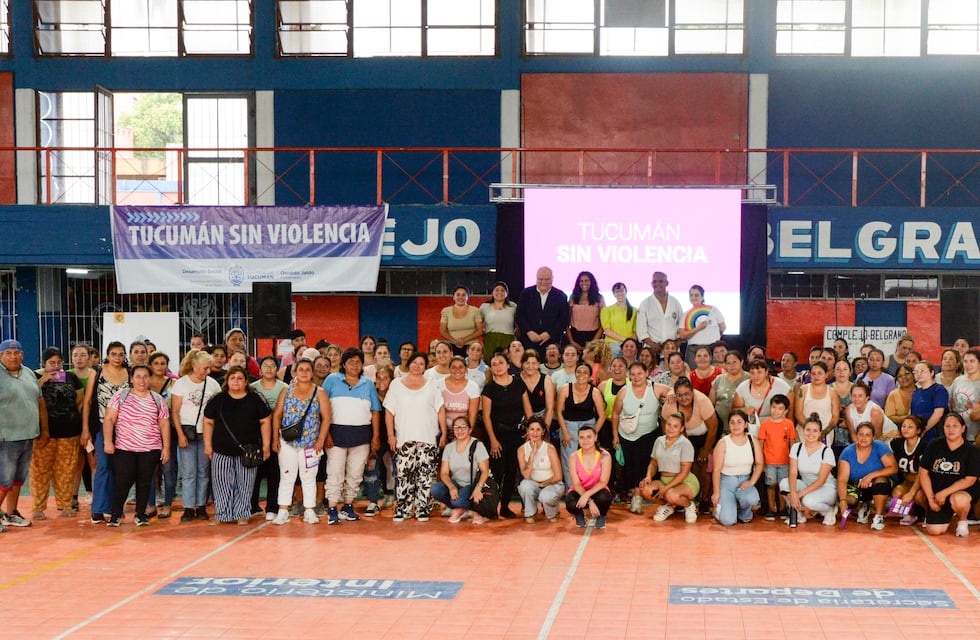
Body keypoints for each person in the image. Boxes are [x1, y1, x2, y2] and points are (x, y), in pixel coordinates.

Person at [202, 366, 271, 525]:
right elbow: (208, 422)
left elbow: (265, 421)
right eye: (232, 378)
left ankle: (242, 513)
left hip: (249, 450)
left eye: (240, 378)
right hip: (221, 449)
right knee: (221, 484)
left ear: (246, 381)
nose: (236, 381)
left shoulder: (256, 399)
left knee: (245, 484)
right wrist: (208, 445)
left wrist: (266, 446)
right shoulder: (218, 399)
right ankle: (222, 514)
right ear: (227, 381)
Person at [102, 365, 170, 526]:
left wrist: (165, 447)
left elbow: (164, 424)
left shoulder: (157, 399)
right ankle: (116, 515)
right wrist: (108, 442)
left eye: (145, 376)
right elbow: (109, 419)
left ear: (150, 379)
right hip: (125, 448)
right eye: (138, 376)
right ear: (131, 379)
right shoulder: (121, 396)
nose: (142, 380)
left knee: (145, 482)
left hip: (150, 448)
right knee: (123, 481)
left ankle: (141, 515)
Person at [384, 351, 446, 521]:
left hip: (427, 438)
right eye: (414, 362)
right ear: (408, 363)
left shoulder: (432, 384)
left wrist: (444, 433)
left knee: (426, 477)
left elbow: (440, 409)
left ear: (426, 367)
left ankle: (422, 509)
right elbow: (389, 411)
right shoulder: (396, 384)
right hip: (404, 438)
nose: (417, 366)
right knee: (404, 476)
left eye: (421, 364)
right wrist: (391, 435)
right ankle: (402, 509)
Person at [322, 348, 381, 524]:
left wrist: (375, 437)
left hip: (362, 436)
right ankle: (332, 508)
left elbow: (376, 411)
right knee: (335, 472)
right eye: (350, 362)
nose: (354, 365)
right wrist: (326, 434)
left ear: (363, 364)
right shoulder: (332, 380)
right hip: (336, 435)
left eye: (358, 362)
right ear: (343, 364)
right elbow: (322, 408)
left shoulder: (368, 383)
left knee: (355, 474)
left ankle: (348, 506)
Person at [271, 358, 330, 525]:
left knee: (309, 476)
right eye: (300, 369)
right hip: (288, 442)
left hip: (310, 443)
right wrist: (275, 437)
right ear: (295, 372)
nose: (304, 372)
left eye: (307, 369)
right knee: (287, 476)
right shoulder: (286, 391)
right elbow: (277, 415)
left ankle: (309, 510)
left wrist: (320, 440)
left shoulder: (319, 392)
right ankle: (283, 510)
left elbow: (326, 419)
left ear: (312, 373)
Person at [29, 347, 83, 520]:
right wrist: (42, 382)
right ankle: (38, 507)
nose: (56, 366)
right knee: (40, 471)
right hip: (43, 434)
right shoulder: (34, 378)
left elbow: (79, 400)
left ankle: (65, 504)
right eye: (52, 362)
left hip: (69, 432)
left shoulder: (71, 377)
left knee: (66, 470)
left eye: (59, 362)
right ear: (44, 363)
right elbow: (27, 398)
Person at [0, 339, 48, 531]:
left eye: (17, 353)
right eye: (8, 353)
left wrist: (44, 430)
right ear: (1, 356)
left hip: (27, 436)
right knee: (4, 480)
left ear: (22, 354)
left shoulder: (28, 373)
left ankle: (11, 513)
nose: (13, 357)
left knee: (18, 479)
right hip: (5, 438)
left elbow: (40, 402)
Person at [612, 362, 671, 515]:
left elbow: (673, 392)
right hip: (626, 435)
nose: (636, 377)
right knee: (630, 467)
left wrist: (670, 399)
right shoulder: (624, 391)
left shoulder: (655, 388)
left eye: (639, 373)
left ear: (647, 373)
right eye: (632, 374)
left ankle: (641, 495)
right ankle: (635, 496)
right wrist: (615, 436)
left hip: (649, 435)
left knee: (645, 465)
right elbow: (615, 414)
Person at [81, 341, 129, 525]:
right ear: (107, 355)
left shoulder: (129, 373)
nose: (117, 357)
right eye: (114, 354)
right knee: (103, 466)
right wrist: (85, 429)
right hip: (102, 426)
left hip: (125, 428)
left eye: (121, 354)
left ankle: (114, 508)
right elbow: (87, 402)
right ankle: (98, 509)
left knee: (120, 469)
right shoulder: (97, 372)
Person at [171, 349, 222, 522]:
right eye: (204, 368)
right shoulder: (181, 384)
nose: (207, 372)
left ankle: (201, 505)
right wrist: (180, 434)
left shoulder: (213, 384)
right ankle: (188, 506)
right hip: (188, 432)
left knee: (203, 471)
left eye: (209, 368)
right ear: (194, 366)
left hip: (207, 433)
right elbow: (175, 412)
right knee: (189, 472)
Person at [482, 353, 532, 518]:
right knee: (497, 471)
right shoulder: (489, 388)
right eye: (494, 364)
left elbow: (528, 409)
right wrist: (493, 440)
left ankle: (505, 506)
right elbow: (486, 416)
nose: (498, 366)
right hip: (497, 435)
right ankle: (491, 507)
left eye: (501, 363)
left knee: (512, 471)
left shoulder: (518, 383)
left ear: (508, 364)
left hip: (517, 434)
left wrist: (530, 430)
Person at [660, 376, 719, 511]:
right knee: (680, 466)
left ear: (692, 392)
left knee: (703, 463)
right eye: (679, 395)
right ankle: (681, 499)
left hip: (704, 435)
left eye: (687, 394)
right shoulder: (670, 403)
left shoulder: (703, 401)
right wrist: (671, 447)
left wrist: (706, 449)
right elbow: (665, 426)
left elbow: (714, 427)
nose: (684, 398)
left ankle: (705, 498)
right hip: (681, 436)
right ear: (675, 395)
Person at [918, 413, 980, 537]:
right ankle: (941, 513)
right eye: (948, 426)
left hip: (962, 491)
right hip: (937, 491)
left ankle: (962, 521)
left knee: (959, 500)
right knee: (934, 531)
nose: (951, 429)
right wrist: (931, 499)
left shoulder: (972, 450)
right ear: (943, 428)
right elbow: (923, 472)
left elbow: (970, 479)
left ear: (963, 428)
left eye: (955, 426)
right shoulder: (934, 445)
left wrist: (944, 493)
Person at [837, 422, 898, 531]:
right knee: (848, 500)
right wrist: (842, 501)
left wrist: (871, 475)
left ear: (873, 437)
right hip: (858, 485)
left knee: (880, 481)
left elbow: (893, 468)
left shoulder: (880, 447)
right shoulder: (847, 452)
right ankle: (864, 506)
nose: (864, 438)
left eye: (867, 435)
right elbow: (842, 480)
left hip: (880, 484)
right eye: (861, 434)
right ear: (856, 436)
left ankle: (878, 516)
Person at [431, 416, 492, 525]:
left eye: (463, 427)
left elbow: (485, 471)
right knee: (435, 489)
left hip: (473, 484)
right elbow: (444, 473)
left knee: (458, 500)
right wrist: (451, 487)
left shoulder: (478, 445)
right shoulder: (449, 448)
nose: (460, 430)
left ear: (470, 429)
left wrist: (478, 488)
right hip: (457, 483)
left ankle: (472, 509)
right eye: (457, 427)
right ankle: (461, 508)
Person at [639, 411, 699, 523]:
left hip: (685, 481)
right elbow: (653, 463)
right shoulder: (659, 441)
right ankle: (667, 506)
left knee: (671, 494)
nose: (671, 428)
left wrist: (666, 489)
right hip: (664, 480)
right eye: (669, 424)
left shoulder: (685, 444)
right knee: (645, 489)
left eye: (675, 426)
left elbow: (684, 472)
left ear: (681, 429)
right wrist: (648, 477)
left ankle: (689, 506)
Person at [780, 413, 838, 527]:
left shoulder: (826, 451)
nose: (811, 434)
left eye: (815, 431)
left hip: (826, 488)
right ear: (803, 431)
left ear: (820, 433)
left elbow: (821, 480)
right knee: (784, 484)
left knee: (808, 501)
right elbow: (792, 473)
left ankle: (829, 510)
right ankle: (798, 514)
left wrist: (799, 494)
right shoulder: (796, 448)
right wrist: (793, 493)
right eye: (808, 430)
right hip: (806, 484)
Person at [556, 362, 606, 489]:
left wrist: (593, 434)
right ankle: (572, 490)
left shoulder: (594, 392)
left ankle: (589, 488)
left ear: (590, 376)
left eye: (585, 372)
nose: (581, 375)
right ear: (575, 373)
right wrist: (565, 432)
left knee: (588, 458)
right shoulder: (565, 389)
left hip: (588, 425)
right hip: (569, 425)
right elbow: (558, 412)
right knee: (568, 460)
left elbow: (602, 416)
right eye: (579, 371)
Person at [711, 410, 764, 526]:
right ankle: (722, 509)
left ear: (745, 424)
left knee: (751, 498)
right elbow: (716, 470)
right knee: (728, 521)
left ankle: (744, 513)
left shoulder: (752, 440)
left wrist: (751, 481)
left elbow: (760, 463)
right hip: (726, 482)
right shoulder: (722, 443)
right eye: (732, 422)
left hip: (745, 480)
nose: (735, 426)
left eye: (739, 422)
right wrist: (716, 492)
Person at [250, 356, 287, 519]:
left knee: (274, 472)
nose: (269, 368)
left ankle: (272, 507)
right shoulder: (252, 387)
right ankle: (253, 506)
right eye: (265, 365)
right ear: (260, 370)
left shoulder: (284, 387)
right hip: (255, 436)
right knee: (255, 472)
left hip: (277, 434)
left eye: (272, 366)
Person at [564, 424, 613, 529]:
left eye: (589, 437)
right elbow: (576, 484)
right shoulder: (573, 457)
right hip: (580, 491)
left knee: (604, 498)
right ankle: (578, 514)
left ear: (595, 437)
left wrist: (587, 496)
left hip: (598, 490)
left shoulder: (605, 456)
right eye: (582, 437)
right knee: (570, 501)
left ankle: (602, 515)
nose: (585, 440)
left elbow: (603, 482)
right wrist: (590, 501)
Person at [517, 416, 564, 523]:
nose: (535, 433)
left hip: (552, 483)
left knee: (546, 496)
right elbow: (527, 476)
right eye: (532, 429)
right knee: (524, 486)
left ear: (543, 432)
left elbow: (558, 476)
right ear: (527, 431)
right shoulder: (521, 450)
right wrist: (532, 454)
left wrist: (544, 483)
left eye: (538, 429)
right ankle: (531, 513)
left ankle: (553, 512)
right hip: (534, 483)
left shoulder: (549, 448)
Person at [756, 394, 796, 521]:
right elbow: (760, 444)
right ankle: (771, 509)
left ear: (786, 411)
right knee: (771, 485)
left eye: (780, 408)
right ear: (770, 407)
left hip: (785, 462)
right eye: (773, 407)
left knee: (783, 486)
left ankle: (783, 508)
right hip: (769, 462)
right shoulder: (765, 424)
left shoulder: (789, 424)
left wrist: (793, 462)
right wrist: (760, 463)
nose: (776, 411)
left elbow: (792, 444)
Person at [146, 350, 175, 518]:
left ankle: (168, 503)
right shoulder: (144, 384)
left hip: (168, 431)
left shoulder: (173, 384)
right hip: (148, 432)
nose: (160, 366)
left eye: (163, 363)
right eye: (156, 363)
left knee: (168, 469)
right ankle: (150, 504)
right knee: (149, 470)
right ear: (150, 365)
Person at [731, 358, 793, 436]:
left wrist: (789, 432)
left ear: (766, 372)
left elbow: (790, 411)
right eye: (752, 373)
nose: (755, 376)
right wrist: (743, 410)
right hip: (753, 432)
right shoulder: (743, 387)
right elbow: (733, 411)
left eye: (759, 372)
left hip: (777, 431)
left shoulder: (782, 385)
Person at [69, 344, 97, 512]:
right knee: (77, 463)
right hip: (72, 424)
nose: (79, 358)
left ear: (89, 357)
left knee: (93, 461)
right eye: (75, 355)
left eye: (82, 355)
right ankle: (72, 498)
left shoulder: (94, 374)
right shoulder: (66, 376)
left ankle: (98, 496)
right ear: (71, 358)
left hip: (91, 424)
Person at [516, 266, 569, 351]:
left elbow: (563, 319)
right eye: (540, 279)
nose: (543, 282)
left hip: (552, 343)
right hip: (528, 341)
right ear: (536, 278)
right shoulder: (525, 294)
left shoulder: (561, 296)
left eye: (547, 279)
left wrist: (549, 334)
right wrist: (529, 332)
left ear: (552, 279)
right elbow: (520, 315)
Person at [636, 271, 684, 358]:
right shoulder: (645, 303)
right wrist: (652, 344)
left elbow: (682, 325)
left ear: (667, 283)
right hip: (652, 349)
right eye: (654, 281)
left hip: (672, 349)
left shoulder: (675, 302)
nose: (657, 284)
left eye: (661, 281)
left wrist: (678, 342)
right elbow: (641, 328)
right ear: (651, 284)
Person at [678, 285, 726, 369]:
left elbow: (722, 327)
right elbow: (682, 335)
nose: (693, 297)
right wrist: (698, 328)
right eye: (691, 295)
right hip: (693, 350)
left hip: (712, 348)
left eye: (696, 295)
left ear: (702, 297)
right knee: (693, 375)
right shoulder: (686, 314)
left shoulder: (713, 310)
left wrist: (714, 337)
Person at [890, 416, 926, 526]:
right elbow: (877, 446)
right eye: (904, 426)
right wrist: (885, 436)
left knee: (918, 496)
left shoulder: (925, 446)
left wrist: (911, 493)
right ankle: (909, 514)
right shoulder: (896, 444)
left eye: (910, 427)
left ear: (918, 430)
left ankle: (930, 515)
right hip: (907, 480)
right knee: (897, 492)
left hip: (923, 481)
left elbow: (923, 474)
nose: (905, 429)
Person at [437, 356, 481, 439]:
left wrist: (467, 433)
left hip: (463, 431)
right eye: (454, 367)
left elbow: (473, 414)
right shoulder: (439, 384)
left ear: (466, 369)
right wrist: (444, 433)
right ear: (449, 368)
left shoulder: (473, 386)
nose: (457, 370)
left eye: (461, 367)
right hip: (441, 430)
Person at [795, 361, 839, 444]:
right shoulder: (802, 390)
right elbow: (798, 414)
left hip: (825, 434)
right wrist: (811, 430)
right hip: (804, 433)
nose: (816, 376)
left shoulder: (832, 392)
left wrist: (822, 433)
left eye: (820, 373)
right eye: (813, 373)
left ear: (826, 375)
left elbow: (835, 417)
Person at [440, 285, 484, 357]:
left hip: (472, 347)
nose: (461, 297)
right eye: (458, 294)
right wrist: (455, 341)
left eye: (463, 295)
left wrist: (464, 340)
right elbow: (442, 331)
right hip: (452, 346)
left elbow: (480, 330)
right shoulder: (446, 311)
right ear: (453, 297)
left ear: (467, 297)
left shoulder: (475, 310)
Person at [710, 350, 749, 430]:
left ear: (741, 362)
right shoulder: (719, 379)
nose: (732, 365)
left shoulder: (750, 378)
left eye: (734, 362)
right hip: (720, 426)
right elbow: (711, 404)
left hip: (743, 426)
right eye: (728, 363)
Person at [480, 281, 517, 365]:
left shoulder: (513, 306)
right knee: (489, 363)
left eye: (502, 290)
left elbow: (519, 325)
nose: (499, 292)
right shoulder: (484, 307)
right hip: (490, 339)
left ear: (507, 293)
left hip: (508, 339)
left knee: (506, 363)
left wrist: (513, 336)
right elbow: (478, 325)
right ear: (492, 292)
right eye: (497, 290)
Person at [566, 271, 604, 352]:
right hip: (575, 336)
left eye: (586, 280)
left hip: (594, 336)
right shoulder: (573, 297)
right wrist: (572, 341)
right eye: (581, 281)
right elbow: (566, 322)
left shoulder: (599, 298)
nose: (584, 283)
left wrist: (593, 342)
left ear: (591, 282)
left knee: (594, 364)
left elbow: (603, 324)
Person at [912, 361, 949, 442]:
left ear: (932, 372)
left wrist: (924, 430)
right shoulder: (915, 393)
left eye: (922, 371)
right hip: (917, 433)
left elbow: (938, 414)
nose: (919, 374)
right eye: (916, 372)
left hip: (934, 433)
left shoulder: (939, 390)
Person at [949, 348, 980, 441]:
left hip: (975, 436)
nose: (968, 364)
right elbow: (951, 404)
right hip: (957, 435)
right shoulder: (958, 381)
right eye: (965, 361)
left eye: (972, 361)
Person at [600, 282, 637, 359]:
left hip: (629, 345)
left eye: (622, 290)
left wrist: (629, 343)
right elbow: (607, 331)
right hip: (613, 344)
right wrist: (625, 340)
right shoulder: (607, 310)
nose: (620, 293)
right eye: (617, 291)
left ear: (626, 292)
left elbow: (636, 331)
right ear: (613, 294)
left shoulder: (634, 310)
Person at [520, 349, 555, 427]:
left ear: (539, 364)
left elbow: (550, 409)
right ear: (522, 364)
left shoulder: (546, 379)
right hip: (521, 418)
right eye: (527, 363)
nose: (530, 366)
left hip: (542, 419)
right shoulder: (515, 379)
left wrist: (545, 429)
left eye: (534, 363)